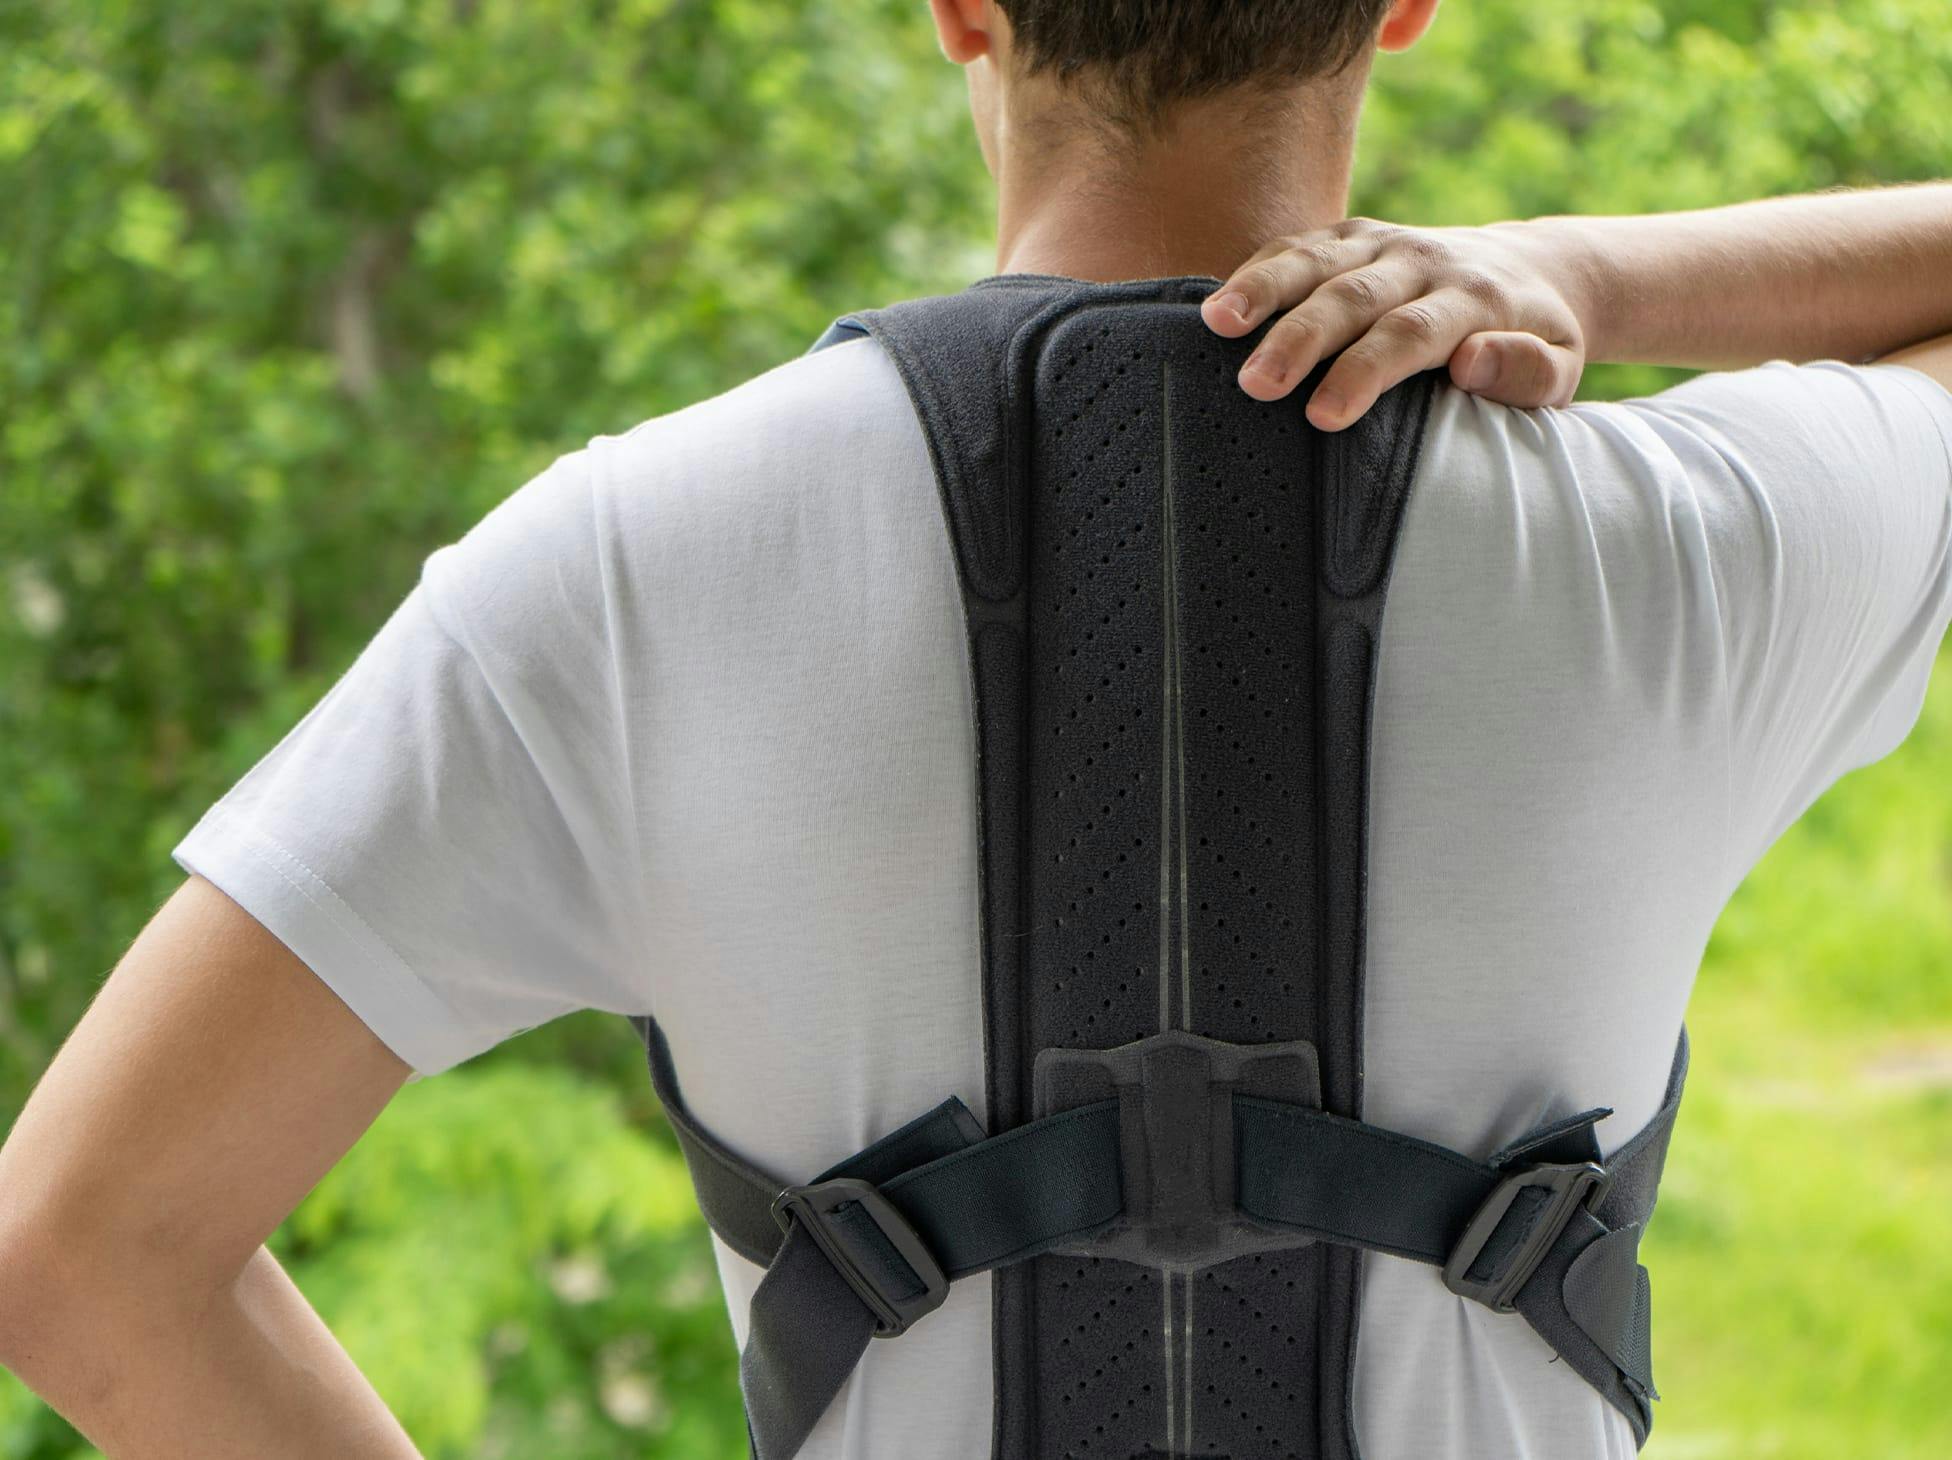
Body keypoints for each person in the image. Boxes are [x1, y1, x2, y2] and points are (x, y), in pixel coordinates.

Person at [1, 1, 1948, 1456]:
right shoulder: (1675, 544)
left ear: (956, 9)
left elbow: (84, 1250)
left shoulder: (627, 566)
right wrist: (1594, 271)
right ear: (1402, 6)